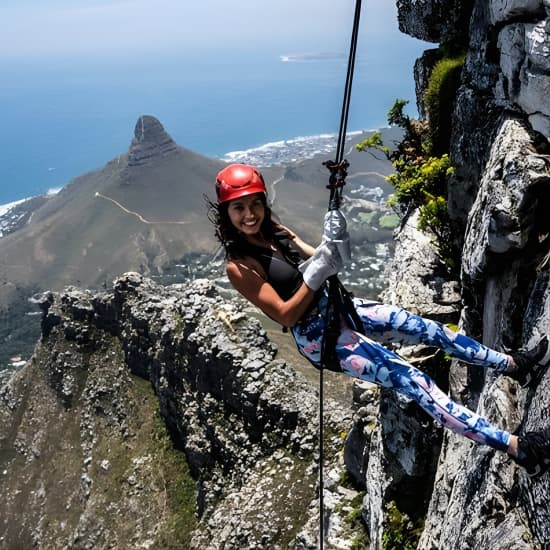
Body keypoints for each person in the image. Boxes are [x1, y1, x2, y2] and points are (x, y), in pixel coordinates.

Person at [209, 163, 550, 478]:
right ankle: (519, 449)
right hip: (322, 338)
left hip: (340, 308)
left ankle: (512, 364)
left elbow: (326, 260)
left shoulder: (277, 231)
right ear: (225, 212)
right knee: (414, 381)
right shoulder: (239, 266)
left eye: (255, 204)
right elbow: (285, 313)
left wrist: (333, 242)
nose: (249, 214)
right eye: (239, 208)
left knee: (425, 328)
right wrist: (317, 274)